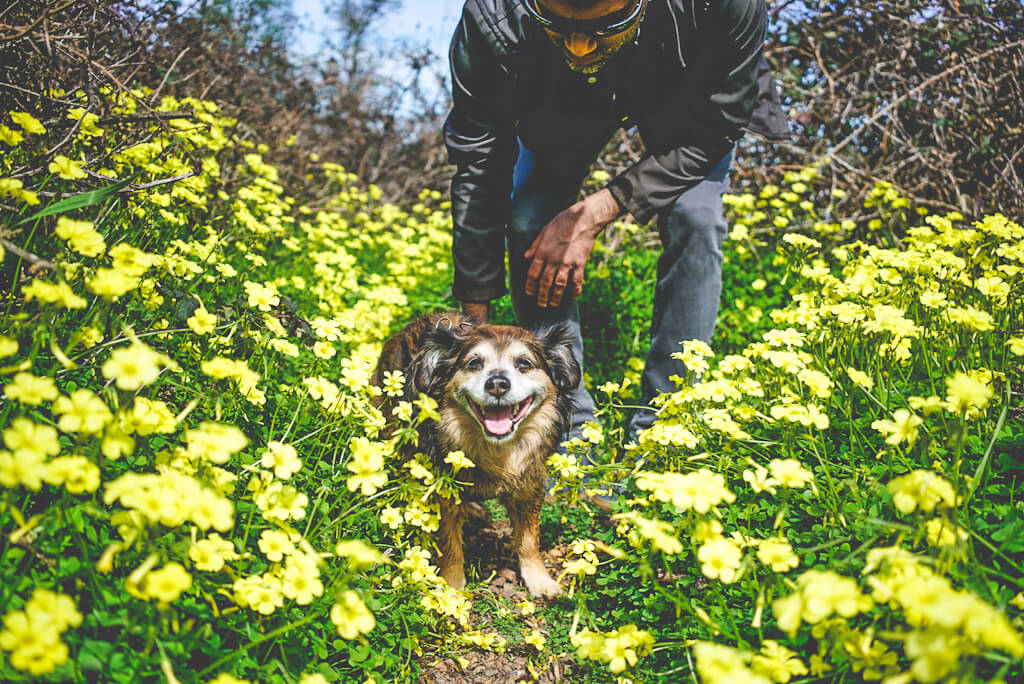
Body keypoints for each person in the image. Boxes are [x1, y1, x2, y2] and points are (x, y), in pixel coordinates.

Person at [443, 0, 788, 444]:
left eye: (607, 25)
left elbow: (718, 123)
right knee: (531, 218)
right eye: (556, 24)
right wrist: (472, 321)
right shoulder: (493, 14)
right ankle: (569, 423)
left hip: (687, 103)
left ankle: (667, 425)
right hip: (563, 103)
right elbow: (480, 156)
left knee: (696, 217)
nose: (581, 47)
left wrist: (597, 212)